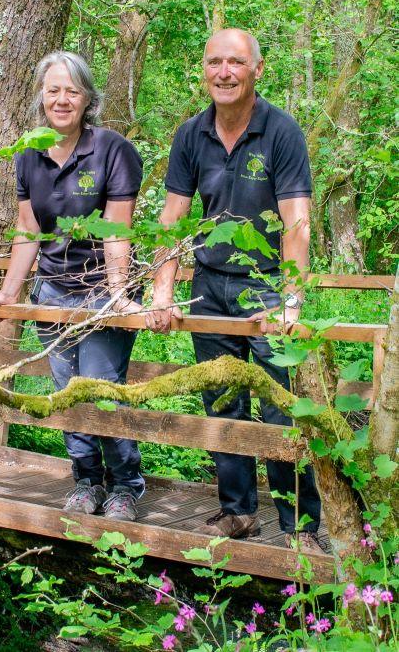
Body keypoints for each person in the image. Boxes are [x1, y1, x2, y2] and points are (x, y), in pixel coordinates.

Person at [146, 28, 323, 552]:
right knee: (222, 401)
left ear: (256, 70)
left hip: (266, 287)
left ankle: (300, 528)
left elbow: (297, 222)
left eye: (236, 62)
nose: (224, 72)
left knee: (281, 409)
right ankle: (238, 512)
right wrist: (162, 289)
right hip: (209, 286)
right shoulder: (191, 135)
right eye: (215, 62)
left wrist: (292, 300)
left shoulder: (281, 132)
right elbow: (173, 217)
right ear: (204, 69)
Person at [0, 51, 144, 522]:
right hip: (52, 292)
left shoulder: (111, 149)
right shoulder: (27, 153)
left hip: (99, 288)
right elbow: (26, 230)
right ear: (41, 96)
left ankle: (125, 486)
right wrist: (10, 292)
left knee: (99, 388)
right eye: (53, 90)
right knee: (64, 393)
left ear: (87, 98)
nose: (62, 99)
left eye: (72, 90)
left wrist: (118, 293)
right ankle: (86, 480)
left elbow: (118, 228)